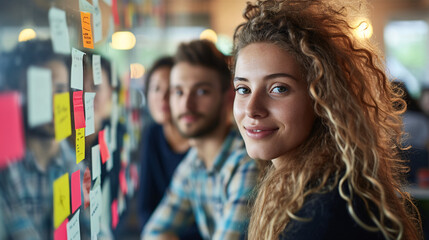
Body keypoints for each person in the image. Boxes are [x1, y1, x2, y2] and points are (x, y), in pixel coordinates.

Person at [232, 0, 422, 239]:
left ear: (322, 98)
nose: (252, 109)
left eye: (278, 89)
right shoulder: (301, 186)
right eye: (243, 89)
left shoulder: (326, 211)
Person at [142, 39, 259, 240]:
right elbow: (153, 232)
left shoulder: (246, 163)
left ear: (228, 98)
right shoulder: (195, 163)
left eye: (201, 91)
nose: (186, 104)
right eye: (178, 91)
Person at [0, 40, 90, 239]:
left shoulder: (72, 166)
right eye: (40, 90)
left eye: (60, 90)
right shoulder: (7, 170)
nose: (54, 102)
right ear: (17, 95)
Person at [137, 56, 203, 239]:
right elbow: (145, 207)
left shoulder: (201, 141)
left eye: (172, 90)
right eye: (156, 88)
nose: (163, 98)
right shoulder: (152, 135)